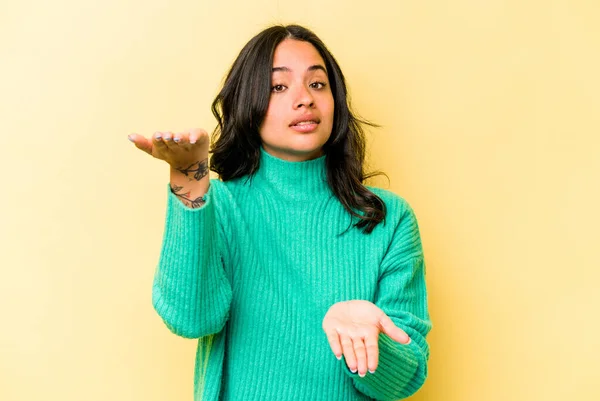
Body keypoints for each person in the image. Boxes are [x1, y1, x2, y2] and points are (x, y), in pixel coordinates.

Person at [128, 24, 432, 401]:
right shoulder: (219, 204)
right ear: (248, 103)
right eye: (278, 87)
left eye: (317, 84)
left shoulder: (389, 217)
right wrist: (189, 182)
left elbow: (405, 379)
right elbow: (190, 319)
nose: (304, 99)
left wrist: (368, 343)